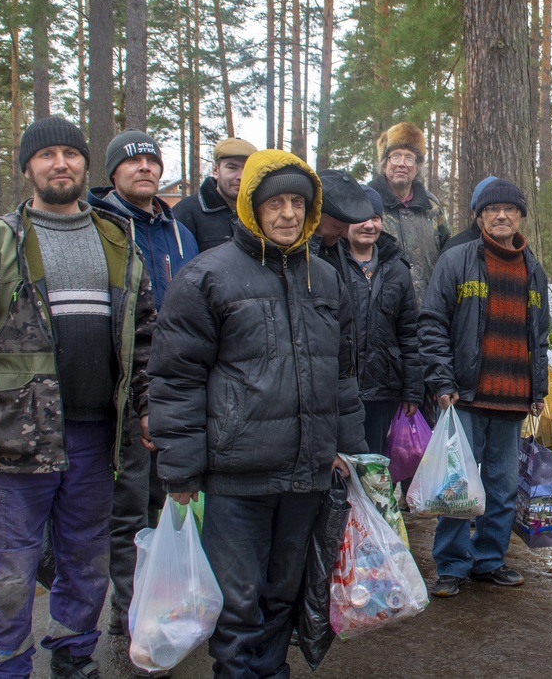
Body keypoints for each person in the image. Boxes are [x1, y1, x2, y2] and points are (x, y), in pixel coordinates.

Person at [0, 116, 155, 679]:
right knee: (10, 567)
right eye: (47, 155)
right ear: (28, 167)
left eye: (71, 154)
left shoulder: (115, 240)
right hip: (16, 439)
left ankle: (73, 655)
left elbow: (144, 335)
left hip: (96, 438)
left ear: (85, 165)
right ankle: (6, 666)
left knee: (86, 558)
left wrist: (148, 408)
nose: (60, 164)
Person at [146, 150, 367, 678]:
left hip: (306, 474)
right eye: (276, 203)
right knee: (238, 605)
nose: (288, 213)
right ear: (251, 206)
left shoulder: (327, 280)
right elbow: (177, 380)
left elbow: (341, 374)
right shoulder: (207, 278)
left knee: (281, 601)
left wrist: (352, 451)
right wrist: (180, 470)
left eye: (298, 202)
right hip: (235, 478)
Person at [86, 130, 199, 640]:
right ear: (113, 173)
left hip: (177, 385)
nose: (145, 169)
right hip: (122, 390)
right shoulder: (98, 228)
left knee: (169, 497)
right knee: (128, 508)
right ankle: (132, 617)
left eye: (152, 161)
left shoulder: (179, 232)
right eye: (133, 163)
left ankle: (166, 599)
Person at [418, 178, 551, 598]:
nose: (501, 216)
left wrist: (537, 391)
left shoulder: (533, 269)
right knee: (458, 486)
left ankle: (489, 560)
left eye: (510, 210)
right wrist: (441, 380)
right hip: (465, 397)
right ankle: (452, 565)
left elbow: (540, 333)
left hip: (512, 400)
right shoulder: (456, 260)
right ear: (478, 217)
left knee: (503, 486)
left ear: (521, 218)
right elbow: (433, 323)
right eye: (492, 210)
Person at [332, 185, 424, 454]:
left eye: (375, 218)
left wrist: (412, 390)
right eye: (362, 218)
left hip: (383, 387)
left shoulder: (397, 268)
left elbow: (409, 333)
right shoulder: (329, 261)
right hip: (339, 387)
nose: (369, 225)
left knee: (374, 465)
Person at [369, 122, 450, 299]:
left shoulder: (432, 207)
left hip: (428, 309)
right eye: (395, 156)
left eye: (409, 157)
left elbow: (447, 255)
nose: (402, 164)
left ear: (417, 166)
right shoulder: (367, 203)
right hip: (383, 312)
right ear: (384, 164)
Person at [172, 137, 257, 251]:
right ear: (216, 170)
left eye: (247, 169)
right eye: (232, 168)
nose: (240, 177)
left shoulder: (259, 212)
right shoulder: (186, 212)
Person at [314, 168, 375, 257]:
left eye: (347, 227)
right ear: (316, 215)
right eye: (337, 226)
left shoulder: (341, 251)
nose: (345, 235)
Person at [441, 175, 498, 253]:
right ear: (476, 210)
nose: (500, 215)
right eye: (492, 208)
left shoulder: (515, 246)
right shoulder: (455, 248)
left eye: (507, 209)